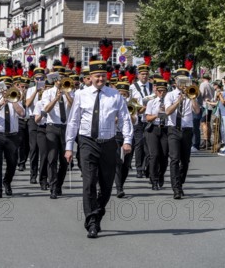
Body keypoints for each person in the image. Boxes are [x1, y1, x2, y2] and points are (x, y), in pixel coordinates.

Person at [65, 60, 133, 238]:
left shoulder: (115, 95)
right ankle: (92, 222)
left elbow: (125, 118)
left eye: (103, 75)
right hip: (87, 142)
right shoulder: (81, 95)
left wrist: (127, 140)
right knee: (89, 183)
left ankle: (97, 213)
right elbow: (73, 121)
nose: (100, 78)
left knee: (107, 185)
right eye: (97, 76)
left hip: (109, 143)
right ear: (90, 77)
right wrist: (69, 146)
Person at [164, 68, 200, 199]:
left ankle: (180, 182)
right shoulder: (170, 95)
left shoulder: (192, 94)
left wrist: (193, 98)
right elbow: (167, 111)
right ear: (175, 81)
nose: (183, 84)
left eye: (185, 81)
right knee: (174, 159)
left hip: (187, 130)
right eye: (181, 81)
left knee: (185, 161)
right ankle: (176, 189)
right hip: (173, 129)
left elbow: (197, 111)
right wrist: (179, 100)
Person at [0, 77, 25, 198]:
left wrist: (13, 100)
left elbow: (22, 113)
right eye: (4, 89)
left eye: (8, 88)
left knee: (13, 162)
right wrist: (1, 102)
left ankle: (7, 181)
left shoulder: (16, 100)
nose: (6, 91)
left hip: (12, 136)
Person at [41, 63, 73, 199]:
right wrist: (56, 97)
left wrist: (66, 94)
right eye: (60, 78)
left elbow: (74, 107)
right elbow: (46, 109)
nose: (62, 81)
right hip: (52, 127)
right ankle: (53, 187)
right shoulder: (47, 93)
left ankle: (59, 184)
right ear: (55, 80)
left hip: (65, 128)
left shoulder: (69, 91)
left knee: (64, 160)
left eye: (63, 78)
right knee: (52, 158)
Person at [129, 64, 153, 178]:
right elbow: (131, 104)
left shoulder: (152, 87)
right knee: (139, 144)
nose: (144, 76)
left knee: (149, 145)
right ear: (138, 75)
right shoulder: (132, 87)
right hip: (138, 118)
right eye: (142, 74)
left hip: (149, 119)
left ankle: (147, 166)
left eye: (146, 74)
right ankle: (139, 168)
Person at [145, 79, 169, 190]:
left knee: (164, 156)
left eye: (163, 91)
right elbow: (147, 118)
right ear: (156, 91)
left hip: (165, 130)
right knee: (154, 155)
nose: (161, 93)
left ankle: (161, 175)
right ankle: (154, 179)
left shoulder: (169, 103)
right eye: (159, 91)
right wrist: (157, 115)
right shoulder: (151, 102)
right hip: (153, 129)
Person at [199, 73, 214, 149]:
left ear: (203, 78)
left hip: (205, 105)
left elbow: (201, 95)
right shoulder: (211, 85)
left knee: (203, 123)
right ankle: (208, 140)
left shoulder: (203, 84)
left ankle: (205, 141)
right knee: (208, 123)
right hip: (210, 106)